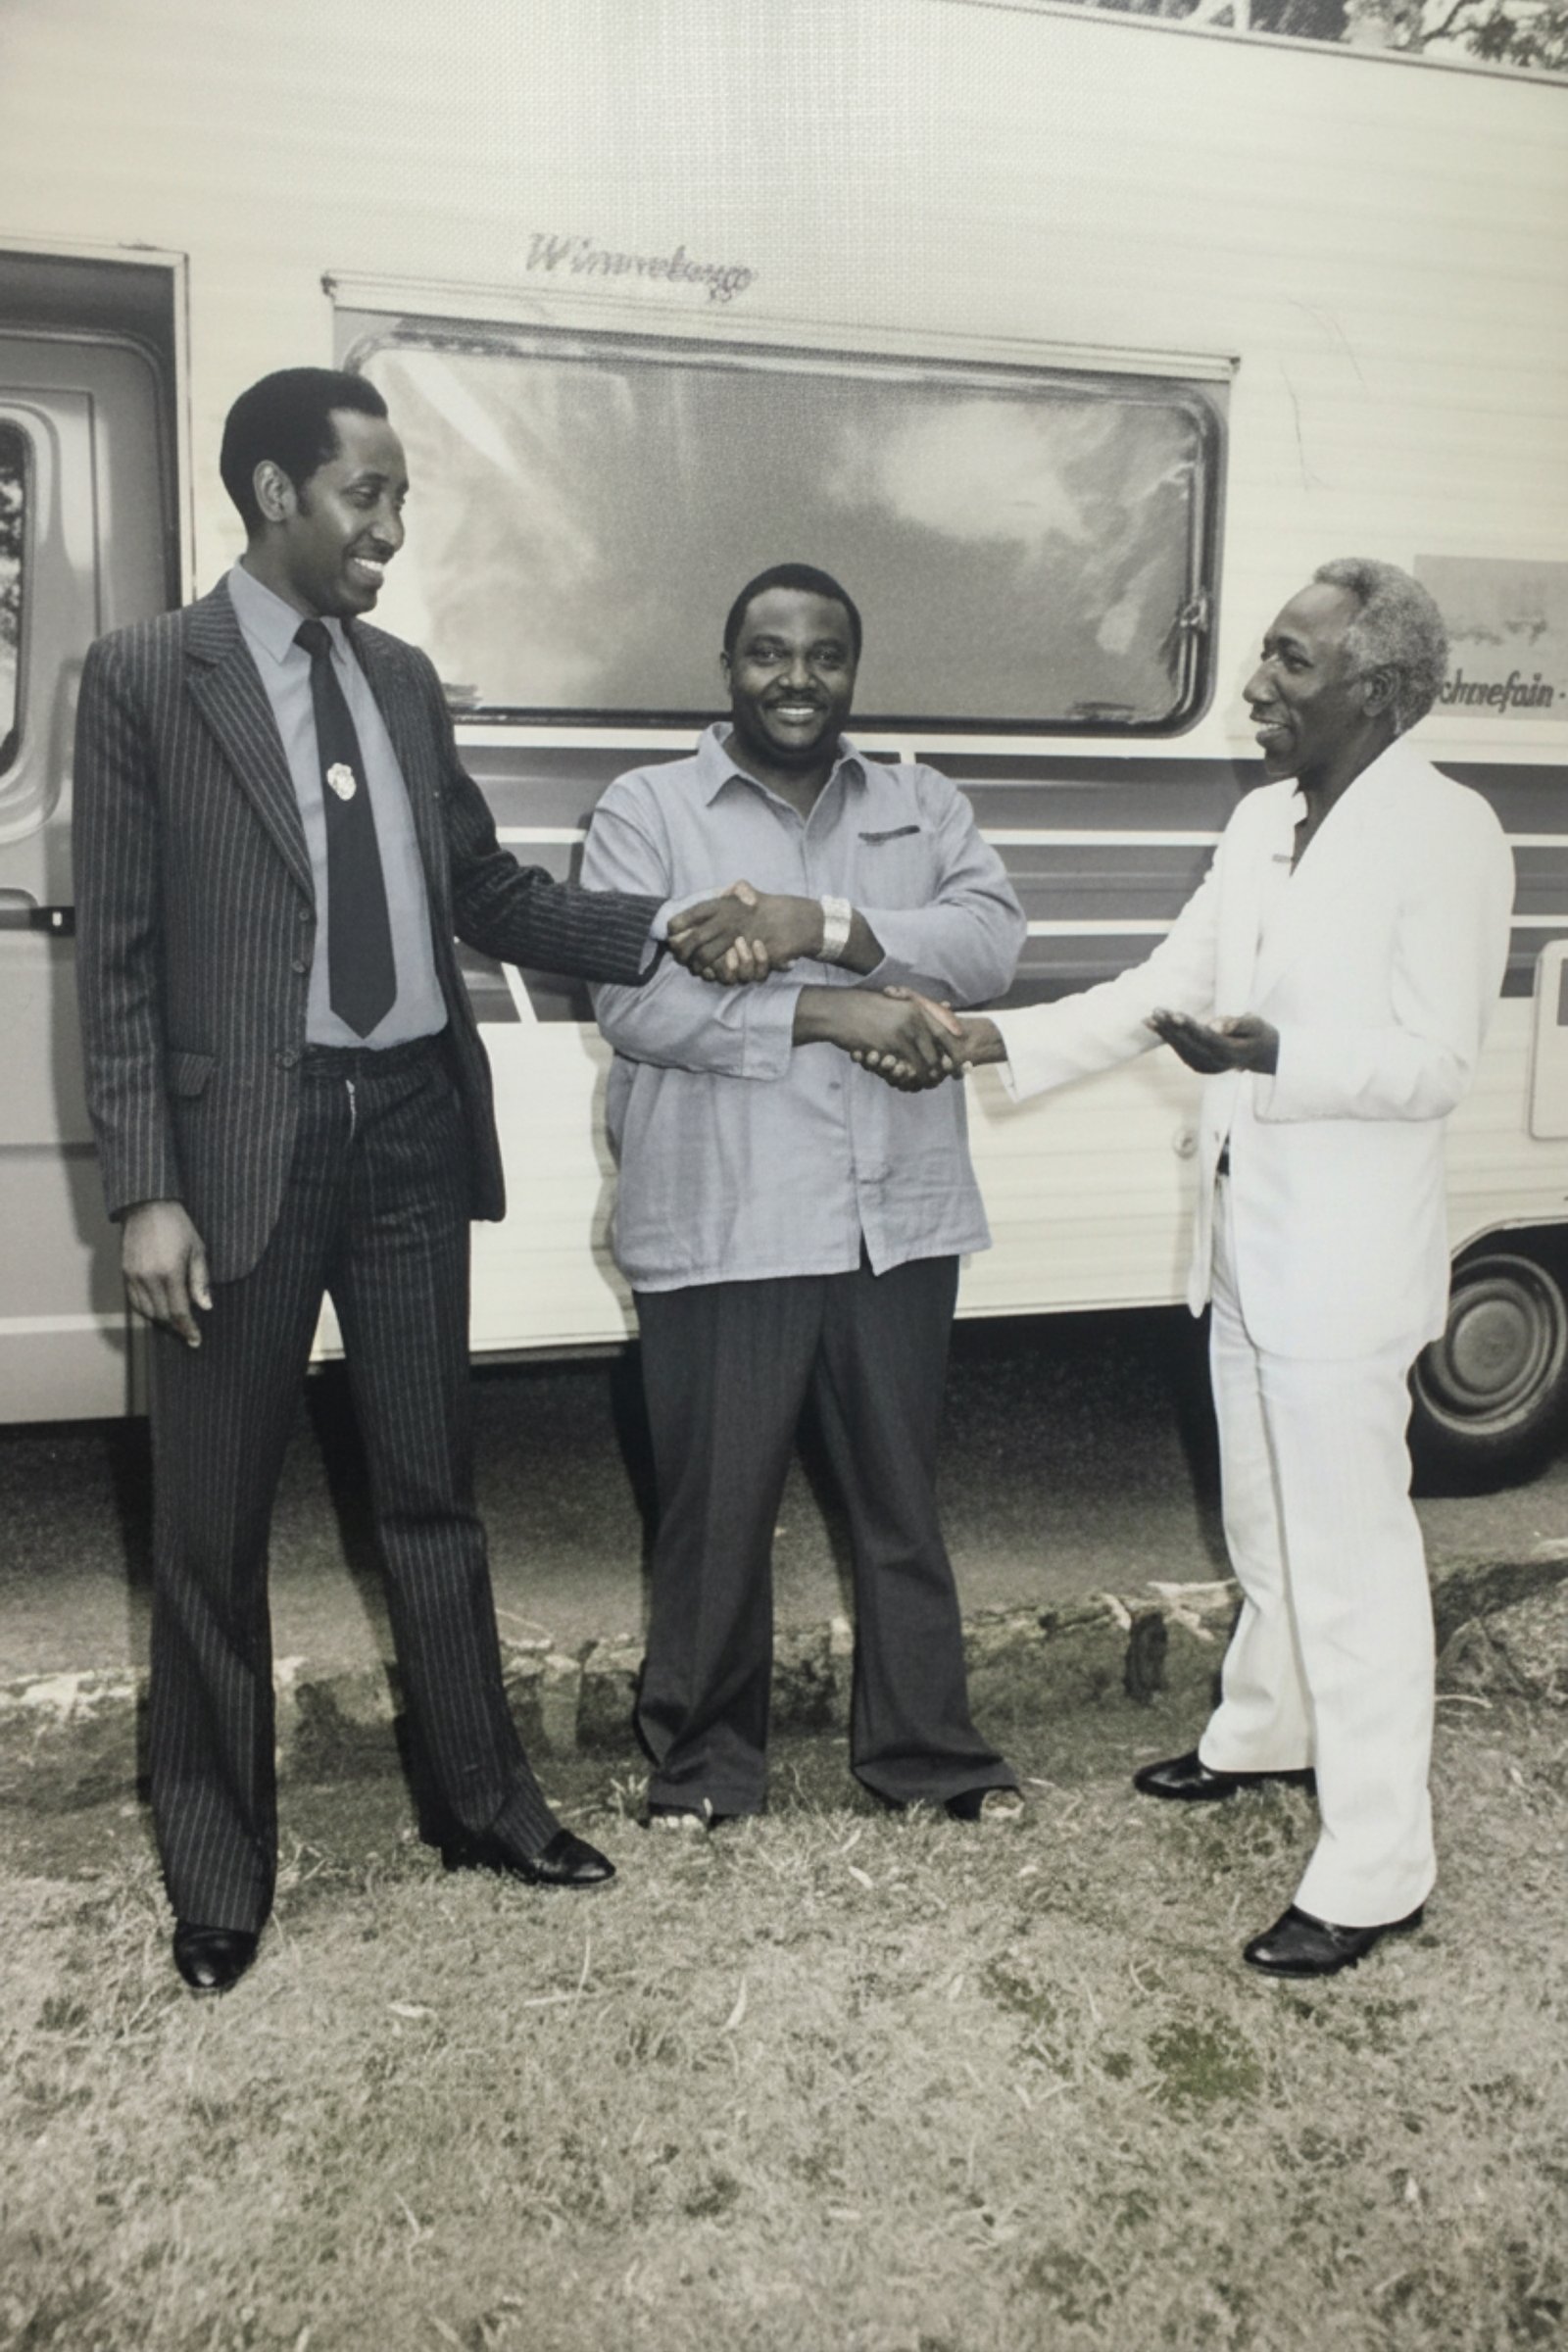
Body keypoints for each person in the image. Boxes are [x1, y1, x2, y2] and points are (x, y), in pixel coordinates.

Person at [73, 368, 756, 1993]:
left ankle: (482, 1804)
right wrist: (145, 1189)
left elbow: (479, 888)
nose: (390, 526)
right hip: (240, 1153)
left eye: (397, 499)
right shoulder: (147, 675)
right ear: (274, 494)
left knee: (433, 1492)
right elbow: (120, 959)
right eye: (365, 495)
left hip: (406, 1129)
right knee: (211, 1529)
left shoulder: (398, 679)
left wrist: (653, 930)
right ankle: (220, 1869)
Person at [914, 559, 1514, 1976]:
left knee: (1352, 1559)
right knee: (1262, 1516)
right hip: (1246, 1236)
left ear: (1377, 691)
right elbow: (1163, 987)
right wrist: (999, 1039)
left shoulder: (1450, 831)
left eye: (1292, 662)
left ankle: (1377, 1864)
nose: (1254, 685)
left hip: (1345, 1267)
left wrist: (1280, 1055)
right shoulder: (1259, 823)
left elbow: (1437, 1064)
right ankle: (1267, 1729)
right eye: (1267, 654)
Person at [580, 563, 1027, 1829]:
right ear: (727, 667)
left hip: (899, 1217)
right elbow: (634, 1002)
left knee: (900, 1508)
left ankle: (929, 1759)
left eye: (824, 655)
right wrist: (841, 1013)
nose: (797, 678)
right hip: (727, 1218)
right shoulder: (646, 809)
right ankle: (703, 1769)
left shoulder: (922, 802)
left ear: (853, 670)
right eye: (768, 652)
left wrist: (821, 925)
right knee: (715, 1517)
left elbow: (992, 941)